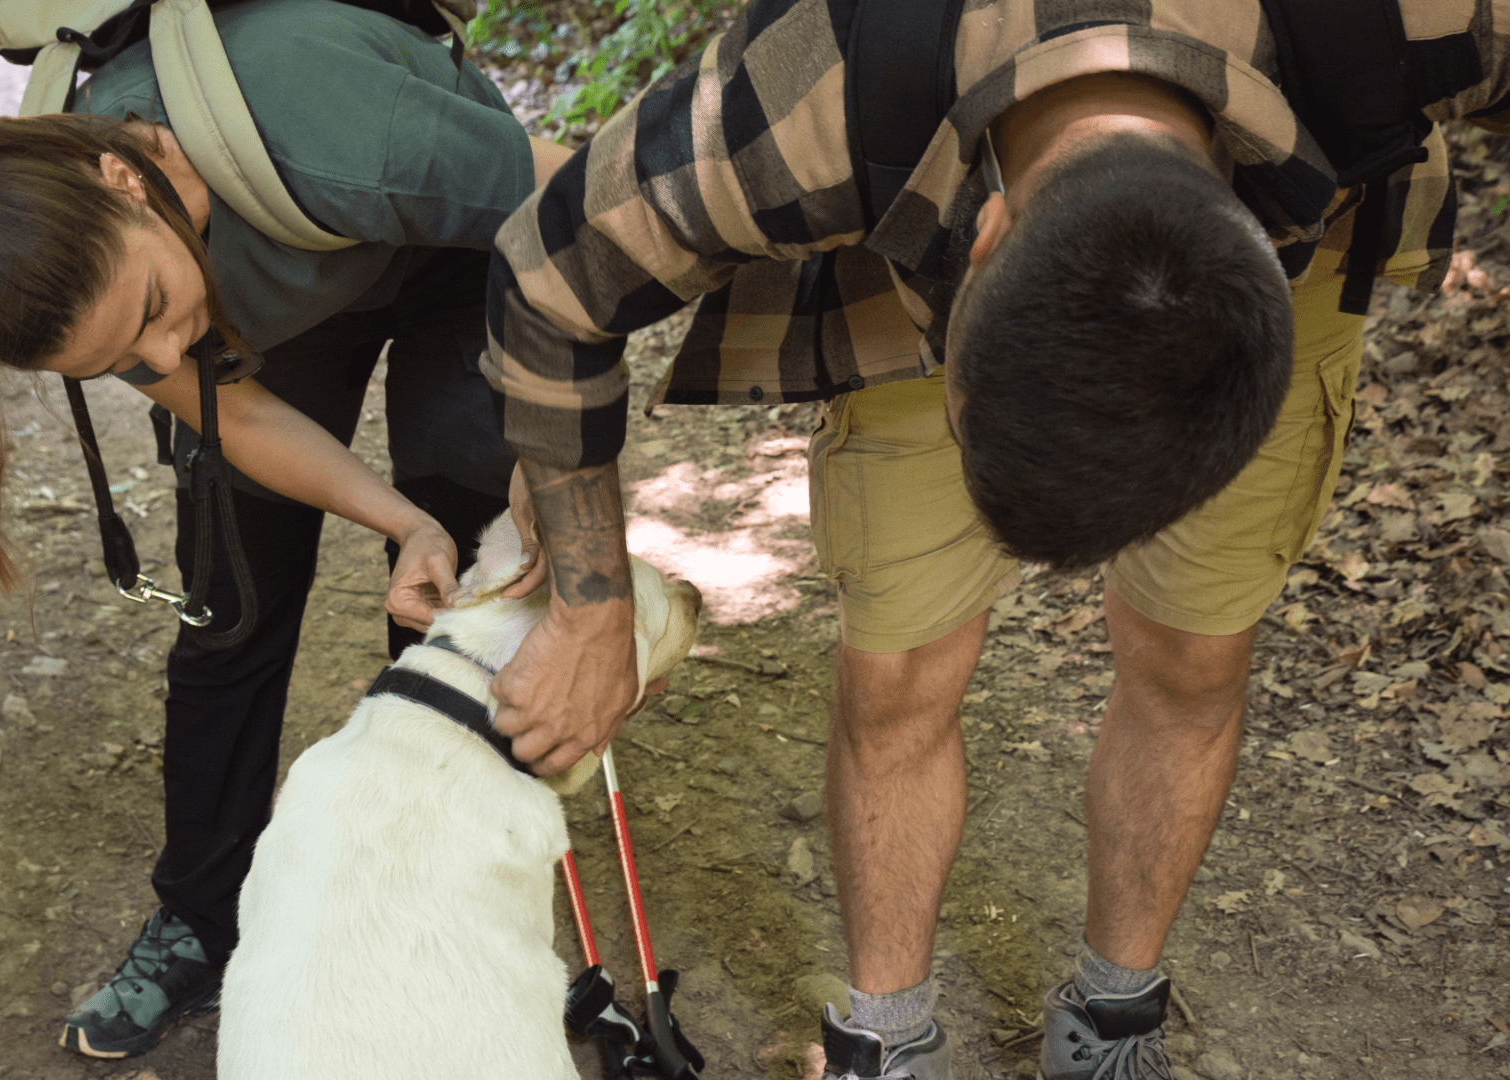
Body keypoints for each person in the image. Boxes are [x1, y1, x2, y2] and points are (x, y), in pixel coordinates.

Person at [484, 2, 1510, 1077]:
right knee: (898, 675)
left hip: (1282, 285)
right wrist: (589, 611)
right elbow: (550, 277)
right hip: (911, 255)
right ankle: (887, 1036)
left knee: (1197, 656)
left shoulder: (1399, 14)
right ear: (981, 234)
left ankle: (1115, 1022)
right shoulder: (809, 96)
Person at [0, 0, 572, 1060]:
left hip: (458, 248)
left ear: (123, 174)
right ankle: (201, 918)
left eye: (154, 300)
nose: (167, 343)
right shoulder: (81, 282)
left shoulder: (329, 126)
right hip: (280, 297)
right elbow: (235, 410)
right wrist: (401, 518)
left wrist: (565, 447)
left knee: (466, 587)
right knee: (231, 611)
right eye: (129, 353)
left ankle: (436, 889)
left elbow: (597, 213)